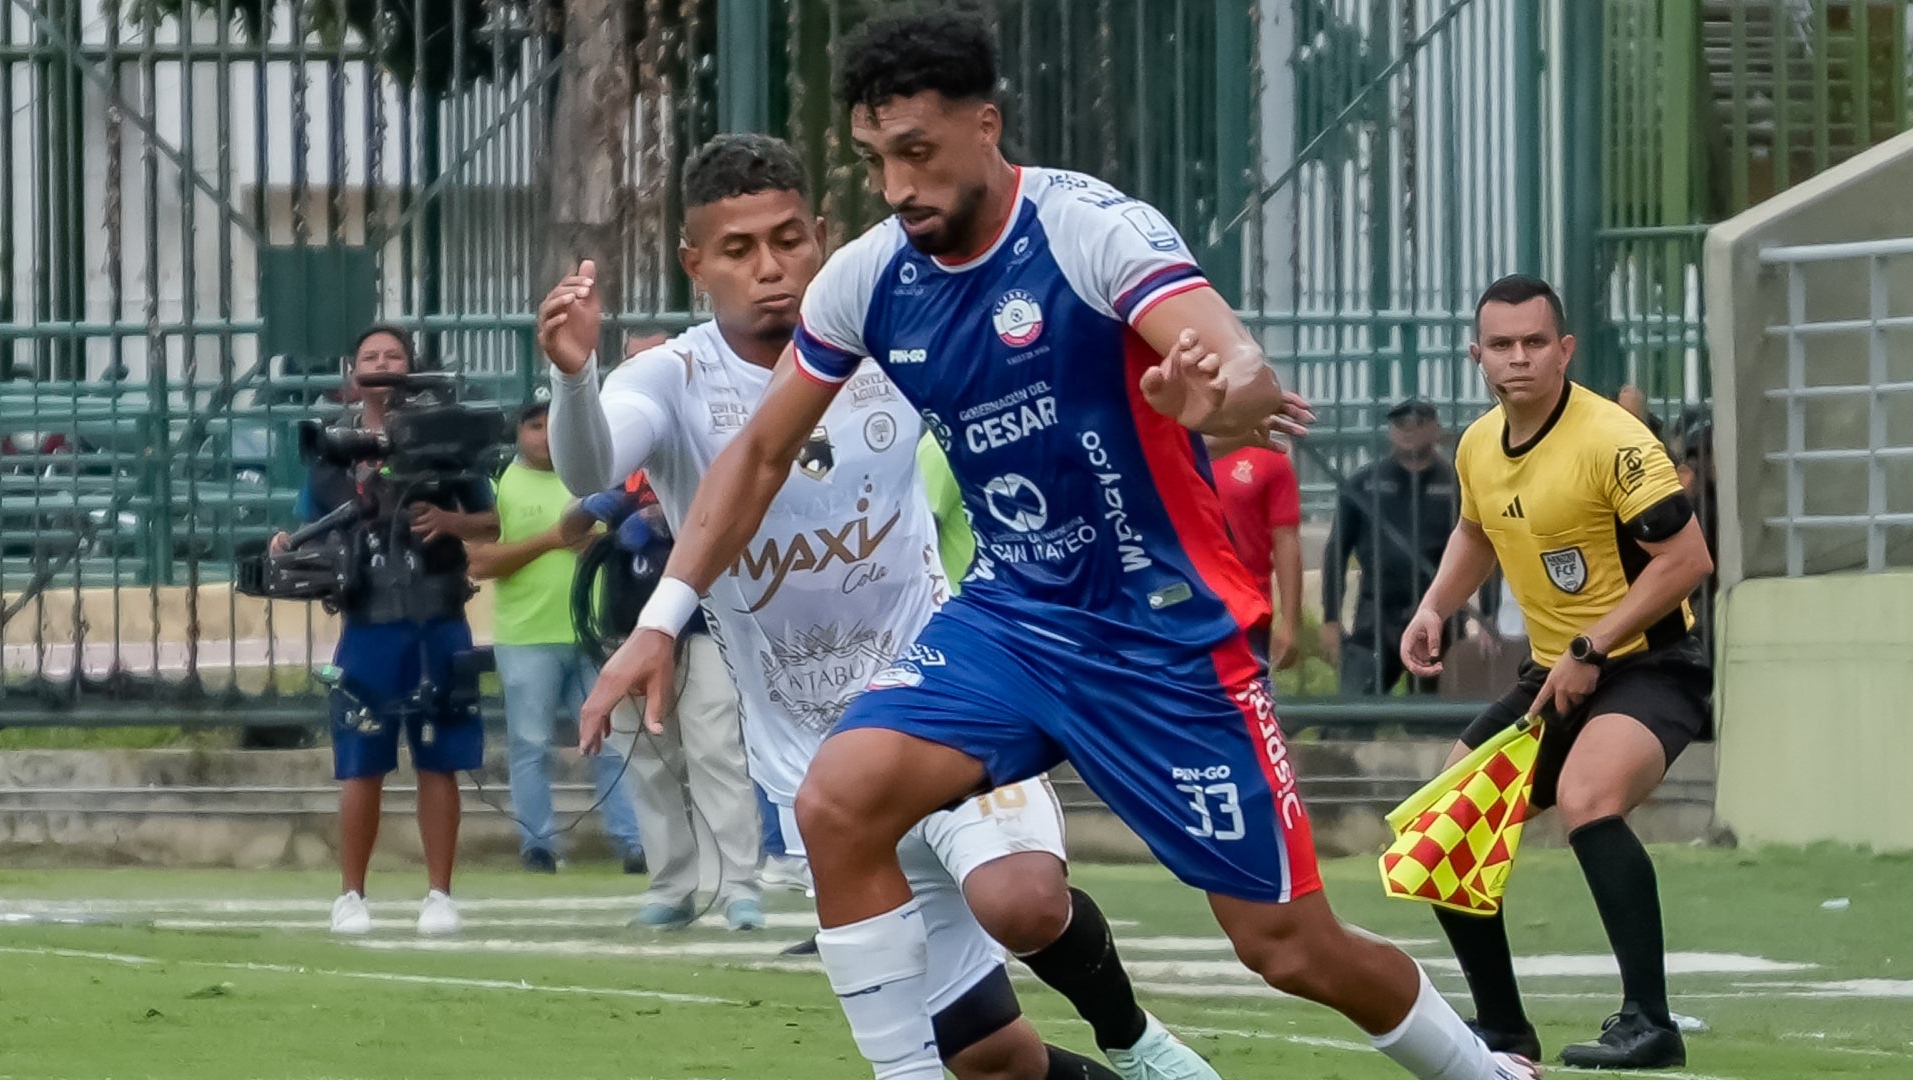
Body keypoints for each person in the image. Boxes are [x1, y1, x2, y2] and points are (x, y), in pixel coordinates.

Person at [582, 15, 1535, 1080]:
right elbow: (757, 456)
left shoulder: (1088, 230)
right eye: (876, 158)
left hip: (1164, 636)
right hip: (1015, 621)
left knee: (1287, 947)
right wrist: (661, 621)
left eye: (918, 152)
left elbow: (1239, 371)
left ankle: (1482, 1071)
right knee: (836, 801)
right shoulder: (868, 278)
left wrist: (1213, 399)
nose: (896, 185)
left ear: (985, 128)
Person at [547, 132, 1219, 1080]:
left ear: (823, 236)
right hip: (811, 756)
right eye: (738, 250)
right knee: (993, 1058)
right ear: (693, 263)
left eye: (788, 239)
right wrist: (575, 376)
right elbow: (589, 465)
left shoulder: (889, 335)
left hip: (946, 694)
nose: (771, 269)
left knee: (1021, 901)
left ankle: (1139, 1042)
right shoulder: (676, 377)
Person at [1401, 275, 1714, 1069]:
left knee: (1586, 799)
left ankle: (1651, 1022)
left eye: (1535, 343)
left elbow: (1686, 560)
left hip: (1650, 667)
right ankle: (1503, 1029)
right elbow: (1477, 529)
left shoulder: (1614, 439)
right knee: (1446, 830)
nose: (1519, 359)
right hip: (1552, 674)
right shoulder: (1477, 445)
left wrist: (1592, 648)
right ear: (1476, 356)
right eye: (1501, 345)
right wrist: (1434, 606)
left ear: (1564, 349)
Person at [271, 325, 498, 936]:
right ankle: (352, 894)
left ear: (411, 366)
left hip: (438, 617)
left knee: (438, 759)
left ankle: (440, 894)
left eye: (392, 355)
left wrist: (451, 520)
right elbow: (304, 528)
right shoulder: (330, 454)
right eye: (369, 356)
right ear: (353, 374)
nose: (381, 365)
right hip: (368, 623)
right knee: (360, 760)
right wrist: (287, 545)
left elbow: (490, 523)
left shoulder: (446, 441)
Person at [562, 473, 764, 930]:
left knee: (715, 753)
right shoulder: (617, 461)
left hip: (705, 628)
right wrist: (595, 505)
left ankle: (738, 887)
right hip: (626, 629)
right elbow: (568, 531)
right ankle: (671, 888)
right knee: (649, 762)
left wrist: (672, 519)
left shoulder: (698, 457)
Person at [466, 399, 646, 875]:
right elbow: (479, 562)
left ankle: (632, 842)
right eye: (534, 426)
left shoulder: (600, 479)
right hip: (526, 636)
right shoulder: (498, 487)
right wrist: (553, 538)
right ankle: (538, 844)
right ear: (518, 433)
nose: (545, 435)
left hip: (595, 632)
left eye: (554, 426)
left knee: (614, 741)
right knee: (530, 745)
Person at [1320, 399, 1469, 696]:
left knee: (1436, 723)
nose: (1409, 432)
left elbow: (1482, 546)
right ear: (1390, 432)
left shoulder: (1457, 484)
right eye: (1401, 425)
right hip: (1376, 614)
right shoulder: (1364, 482)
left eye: (1419, 424)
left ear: (1436, 430)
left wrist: (1490, 616)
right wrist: (1331, 619)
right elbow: (1337, 551)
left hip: (1440, 612)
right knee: (1354, 714)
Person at [1211, 443, 1303, 670]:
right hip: (1181, 607)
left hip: (1246, 612)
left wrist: (1290, 623)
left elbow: (1286, 541)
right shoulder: (1176, 448)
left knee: (1243, 699)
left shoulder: (1270, 459)